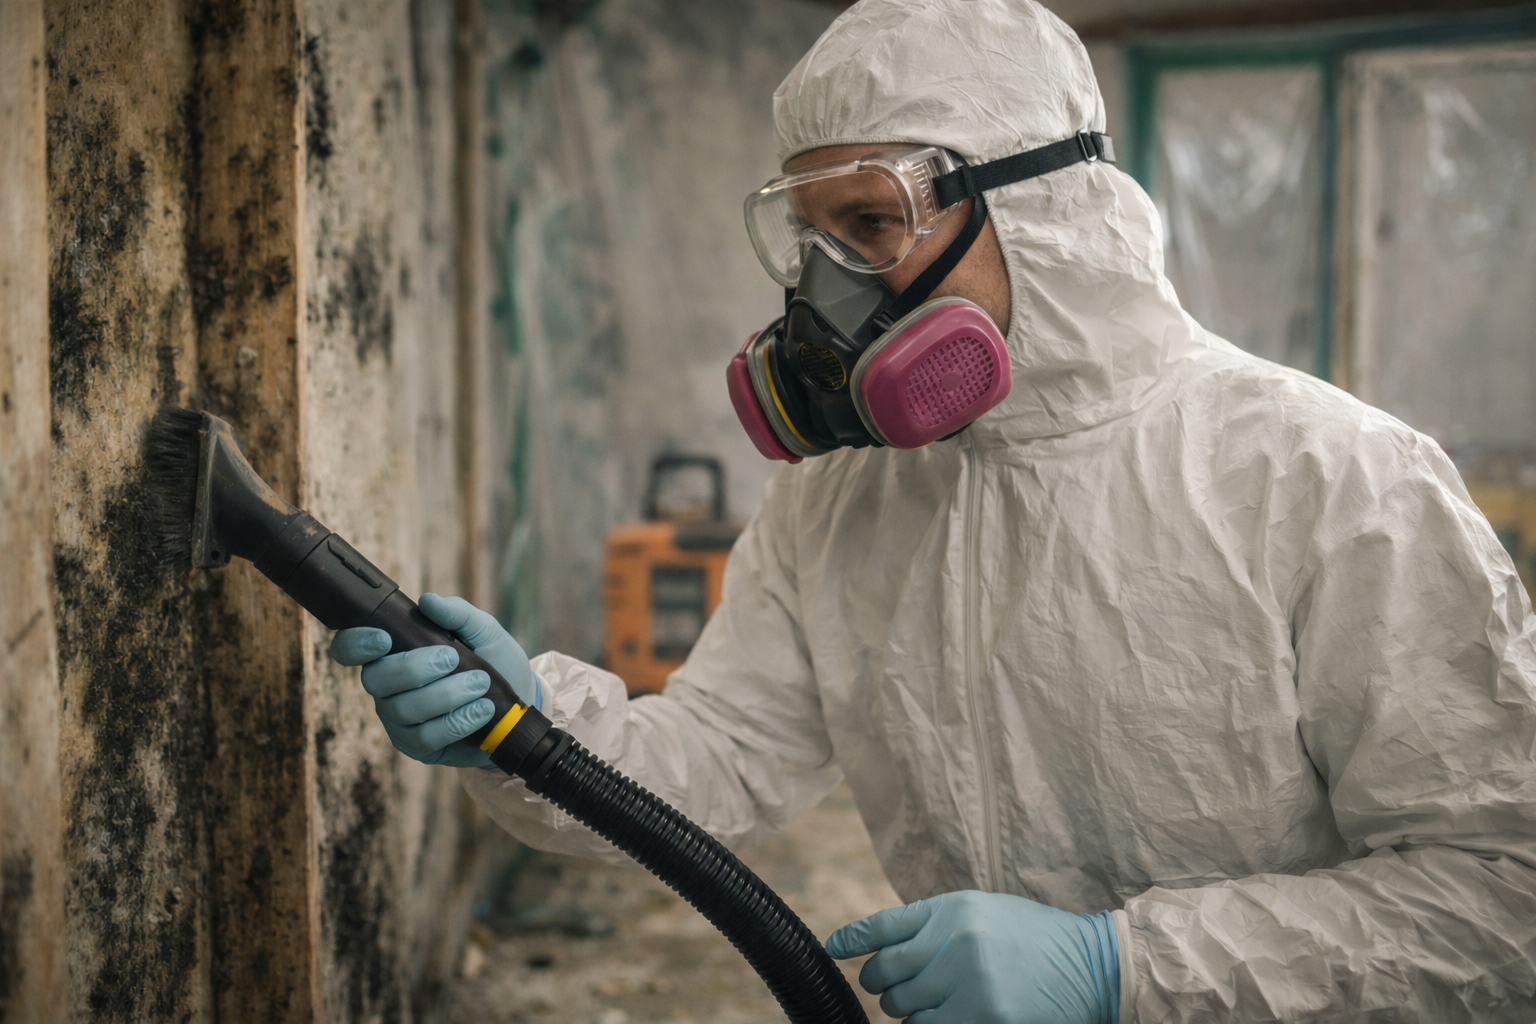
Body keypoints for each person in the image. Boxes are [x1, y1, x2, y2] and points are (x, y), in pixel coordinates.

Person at [330, 0, 1536, 1020]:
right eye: (812, 238)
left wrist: (1124, 971)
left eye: (874, 225)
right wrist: (529, 728)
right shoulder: (841, 495)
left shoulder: (1328, 477)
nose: (833, 290)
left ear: (1049, 206)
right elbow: (718, 758)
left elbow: (1500, 896)